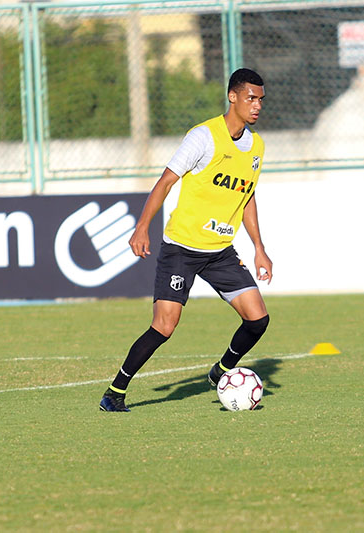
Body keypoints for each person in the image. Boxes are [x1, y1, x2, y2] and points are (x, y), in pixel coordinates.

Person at [99, 68, 272, 412]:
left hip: (220, 252)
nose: (257, 106)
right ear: (233, 97)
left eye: (261, 100)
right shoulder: (203, 137)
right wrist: (142, 226)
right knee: (164, 326)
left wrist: (259, 249)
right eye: (251, 98)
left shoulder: (256, 146)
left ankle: (221, 371)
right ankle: (115, 392)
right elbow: (166, 181)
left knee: (258, 319)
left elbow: (246, 196)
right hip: (182, 249)